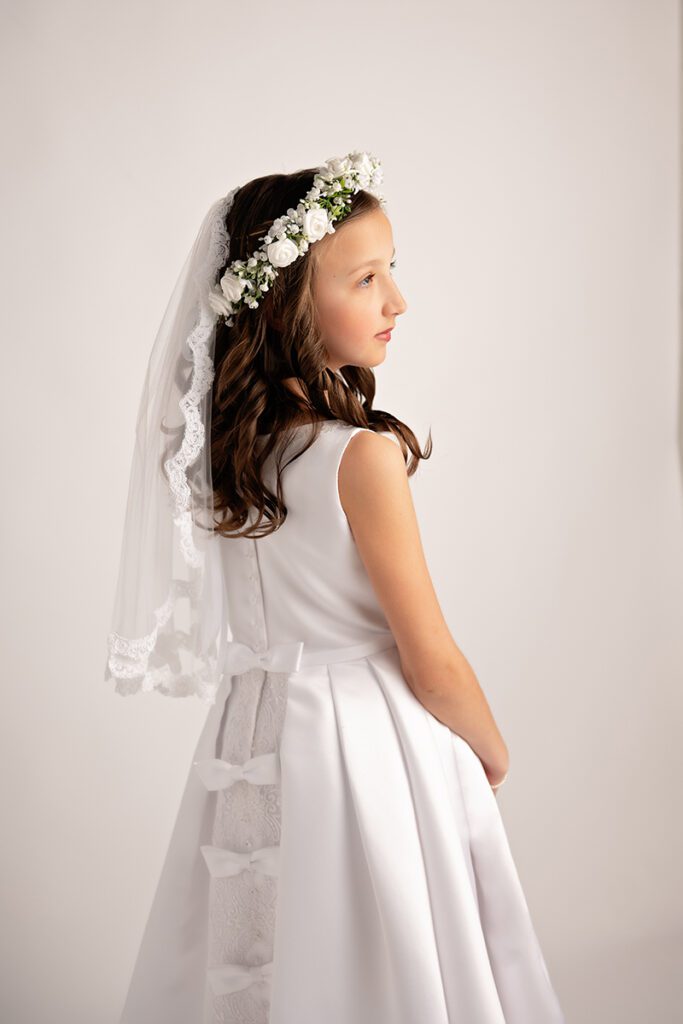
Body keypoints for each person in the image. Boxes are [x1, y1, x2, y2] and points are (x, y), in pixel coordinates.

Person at [107, 152, 565, 1023]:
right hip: (369, 740)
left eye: (392, 270)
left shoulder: (222, 462)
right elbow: (427, 658)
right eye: (365, 277)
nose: (397, 299)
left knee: (266, 948)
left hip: (252, 731)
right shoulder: (360, 457)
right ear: (288, 305)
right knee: (380, 950)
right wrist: (490, 749)